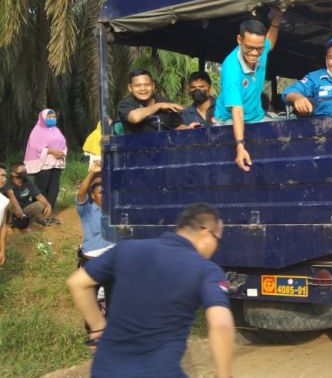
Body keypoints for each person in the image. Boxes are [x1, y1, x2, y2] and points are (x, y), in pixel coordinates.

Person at [66, 203, 234, 378]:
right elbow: (221, 324)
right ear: (205, 232)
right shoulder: (206, 270)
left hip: (106, 370)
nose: (216, 246)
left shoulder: (127, 249)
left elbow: (77, 283)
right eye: (217, 239)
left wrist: (97, 326)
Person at [215, 10, 283, 173]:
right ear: (239, 40)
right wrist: (239, 145)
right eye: (249, 48)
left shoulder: (261, 49)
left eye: (258, 49)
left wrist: (276, 20)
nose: (254, 53)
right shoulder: (231, 68)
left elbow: (270, 43)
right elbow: (237, 111)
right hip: (230, 120)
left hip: (256, 116)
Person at [24, 109, 67, 218]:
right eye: (49, 117)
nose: (52, 118)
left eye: (53, 116)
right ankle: (38, 212)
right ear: (43, 118)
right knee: (41, 189)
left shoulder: (56, 130)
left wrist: (61, 153)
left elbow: (63, 144)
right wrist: (51, 151)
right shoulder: (37, 131)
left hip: (56, 163)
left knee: (54, 188)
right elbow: (34, 147)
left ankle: (50, 211)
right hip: (43, 164)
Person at [117, 69, 184, 134]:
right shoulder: (125, 104)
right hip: (136, 144)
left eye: (147, 85)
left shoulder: (165, 102)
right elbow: (135, 118)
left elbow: (177, 126)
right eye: (137, 85)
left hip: (165, 144)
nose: (143, 89)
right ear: (130, 88)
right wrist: (158, 106)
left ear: (153, 86)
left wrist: (189, 128)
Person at [76, 160, 114, 259]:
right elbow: (81, 193)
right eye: (101, 193)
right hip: (93, 255)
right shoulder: (87, 210)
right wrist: (92, 172)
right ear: (92, 195)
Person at [2, 162, 52, 229]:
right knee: (9, 204)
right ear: (13, 173)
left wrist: (48, 205)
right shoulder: (8, 182)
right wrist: (18, 209)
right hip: (12, 211)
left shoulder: (28, 182)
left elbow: (39, 196)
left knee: (41, 204)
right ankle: (8, 224)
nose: (24, 172)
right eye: (22, 171)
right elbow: (11, 196)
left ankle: (26, 224)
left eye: (25, 170)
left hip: (24, 209)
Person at [0, 163, 9, 265]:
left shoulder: (4, 201)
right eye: (1, 175)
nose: (4, 179)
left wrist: (2, 250)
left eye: (5, 176)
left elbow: (3, 226)